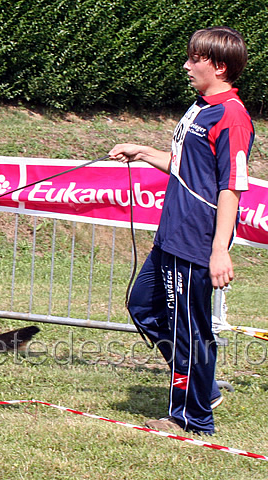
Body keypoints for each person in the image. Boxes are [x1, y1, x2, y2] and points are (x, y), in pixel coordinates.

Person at [109, 27, 254, 435]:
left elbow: (231, 185)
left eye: (195, 59)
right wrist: (143, 151)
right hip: (170, 232)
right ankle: (201, 386)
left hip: (196, 239)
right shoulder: (199, 106)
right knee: (143, 305)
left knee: (191, 330)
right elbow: (186, 165)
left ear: (219, 66)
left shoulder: (232, 116)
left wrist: (219, 250)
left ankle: (190, 418)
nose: (187, 66)